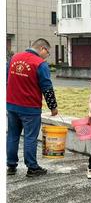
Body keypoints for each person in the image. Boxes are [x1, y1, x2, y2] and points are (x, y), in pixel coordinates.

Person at [6, 38, 58, 177]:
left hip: (11, 105)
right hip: (30, 108)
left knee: (12, 135)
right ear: (42, 49)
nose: (47, 55)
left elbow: (6, 79)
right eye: (48, 52)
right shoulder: (40, 64)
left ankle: (11, 165)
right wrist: (53, 107)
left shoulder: (14, 58)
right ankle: (32, 167)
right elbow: (47, 88)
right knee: (30, 137)